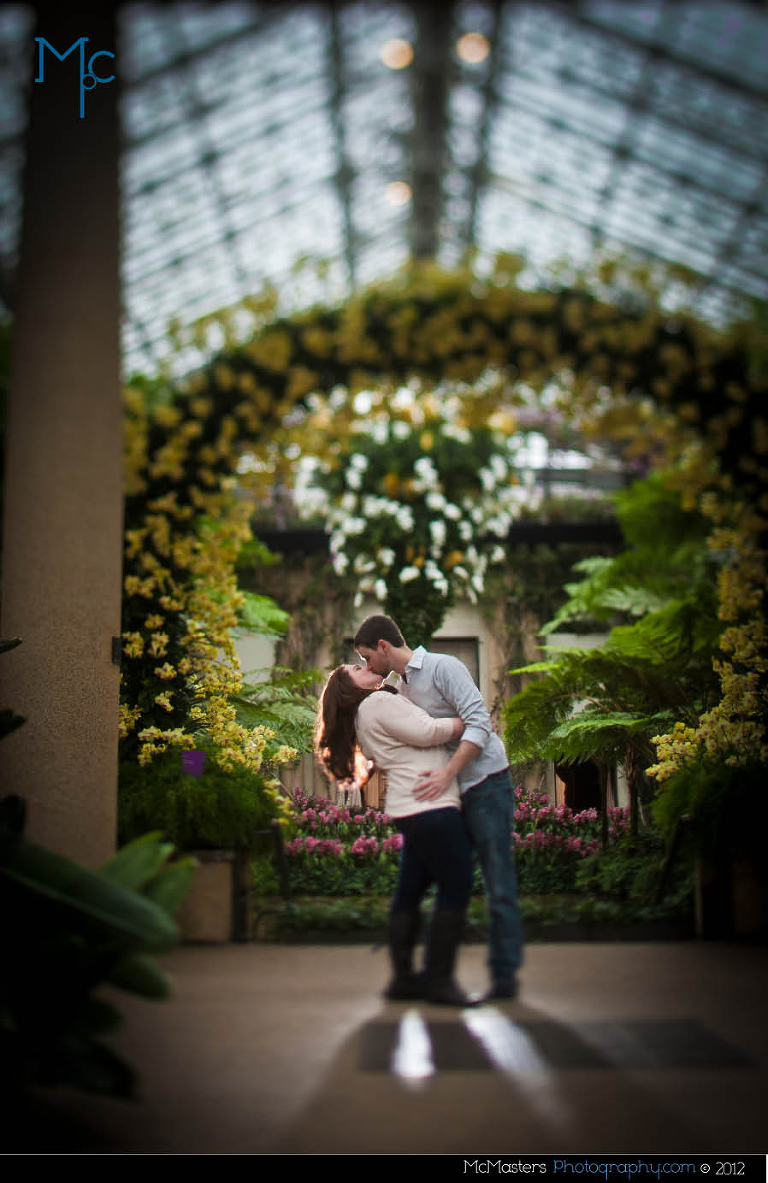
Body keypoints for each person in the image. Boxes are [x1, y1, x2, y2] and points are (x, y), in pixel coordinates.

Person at [354, 614, 524, 1001]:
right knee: (436, 881)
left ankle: (503, 978)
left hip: (485, 784)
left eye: (367, 657)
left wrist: (447, 773)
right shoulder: (398, 688)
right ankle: (428, 976)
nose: (368, 667)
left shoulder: (443, 667)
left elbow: (481, 724)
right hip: (445, 796)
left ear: (384, 646)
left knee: (498, 883)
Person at [314, 663, 478, 1007]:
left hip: (411, 806)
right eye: (357, 668)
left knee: (411, 890)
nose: (366, 666)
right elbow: (429, 731)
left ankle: (403, 979)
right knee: (457, 883)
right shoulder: (375, 704)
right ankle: (439, 979)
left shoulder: (366, 711)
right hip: (429, 804)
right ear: (349, 686)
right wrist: (470, 723)